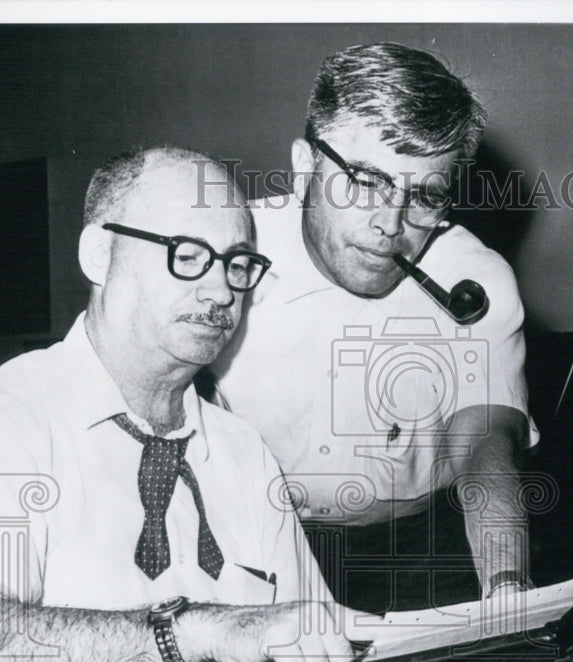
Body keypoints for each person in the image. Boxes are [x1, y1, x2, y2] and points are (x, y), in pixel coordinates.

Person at [0, 147, 354, 662]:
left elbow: (317, 652)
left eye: (238, 264)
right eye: (187, 255)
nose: (221, 291)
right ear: (98, 255)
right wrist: (197, 631)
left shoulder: (245, 452)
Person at [213, 42, 539, 614]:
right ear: (305, 167)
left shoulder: (471, 280)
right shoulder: (223, 255)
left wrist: (508, 588)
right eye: (365, 181)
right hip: (249, 542)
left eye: (425, 197)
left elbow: (486, 445)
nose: (391, 225)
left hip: (415, 547)